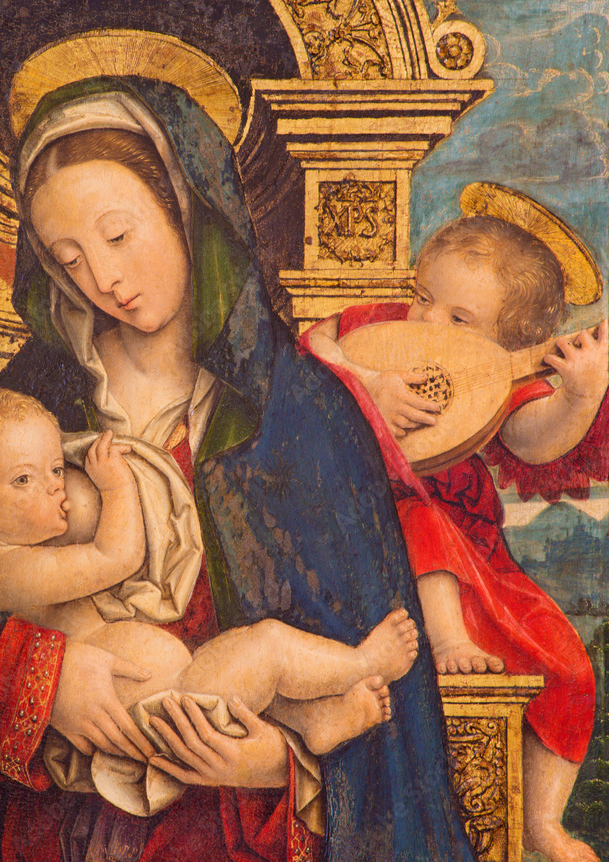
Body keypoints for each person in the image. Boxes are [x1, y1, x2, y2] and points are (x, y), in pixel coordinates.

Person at [0, 77, 479, 862]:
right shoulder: (20, 413)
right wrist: (37, 677)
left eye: (119, 235)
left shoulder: (304, 416)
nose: (102, 278)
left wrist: (281, 765)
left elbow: (394, 723)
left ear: (187, 210)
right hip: (54, 833)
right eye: (69, 259)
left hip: (235, 838)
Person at [0, 384, 416, 793]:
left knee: (259, 683)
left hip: (167, 697)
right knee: (269, 646)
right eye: (25, 480)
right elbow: (116, 558)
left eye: (56, 468)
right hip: (161, 707)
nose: (56, 485)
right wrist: (116, 485)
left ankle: (315, 721)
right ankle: (365, 662)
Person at [303, 212, 607, 862]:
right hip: (377, 541)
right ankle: (448, 643)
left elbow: (533, 439)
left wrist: (579, 397)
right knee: (421, 517)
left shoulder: (498, 377)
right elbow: (317, 342)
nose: (429, 321)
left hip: (479, 562)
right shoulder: (386, 334)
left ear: (504, 342)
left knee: (570, 666)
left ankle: (542, 820)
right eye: (423, 297)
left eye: (460, 319)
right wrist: (368, 384)